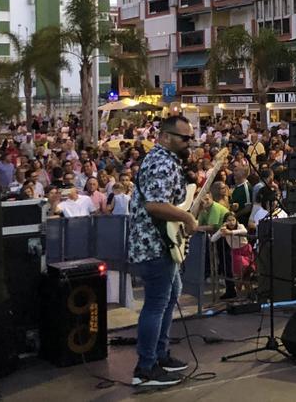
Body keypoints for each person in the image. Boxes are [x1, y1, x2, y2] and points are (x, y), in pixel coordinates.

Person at [127, 115, 198, 387]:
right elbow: (155, 205)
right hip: (154, 245)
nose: (189, 142)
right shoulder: (160, 162)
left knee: (171, 297)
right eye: (185, 138)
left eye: (191, 137)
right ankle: (145, 368)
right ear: (166, 137)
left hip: (162, 243)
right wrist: (188, 219)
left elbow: (169, 202)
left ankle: (160, 354)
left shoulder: (167, 161)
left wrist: (190, 211)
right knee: (156, 304)